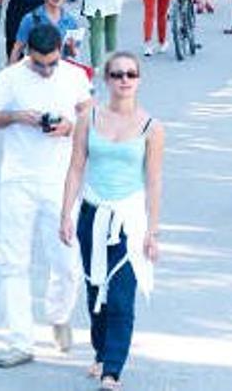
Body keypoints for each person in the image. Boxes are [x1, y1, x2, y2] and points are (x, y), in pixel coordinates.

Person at [0, 24, 91, 369]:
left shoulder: (75, 76)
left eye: (52, 63)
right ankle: (20, 341)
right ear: (27, 53)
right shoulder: (9, 78)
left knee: (67, 262)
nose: (46, 70)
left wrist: (70, 127)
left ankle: (59, 315)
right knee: (13, 262)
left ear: (61, 51)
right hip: (18, 179)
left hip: (60, 182)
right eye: (39, 64)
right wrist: (16, 117)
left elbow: (93, 119)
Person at [59, 52, 163, 391]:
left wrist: (152, 231)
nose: (124, 80)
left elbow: (154, 181)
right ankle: (101, 351)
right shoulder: (88, 118)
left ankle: (112, 370)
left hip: (129, 219)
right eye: (117, 74)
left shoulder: (151, 127)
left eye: (130, 74)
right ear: (106, 80)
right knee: (95, 290)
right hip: (92, 214)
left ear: (139, 80)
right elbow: (76, 167)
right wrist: (66, 214)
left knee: (120, 296)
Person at [9, 0, 83, 64]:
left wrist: (72, 48)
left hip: (60, 68)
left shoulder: (70, 21)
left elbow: (73, 54)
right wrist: (11, 69)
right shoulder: (31, 19)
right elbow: (18, 48)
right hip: (36, 67)